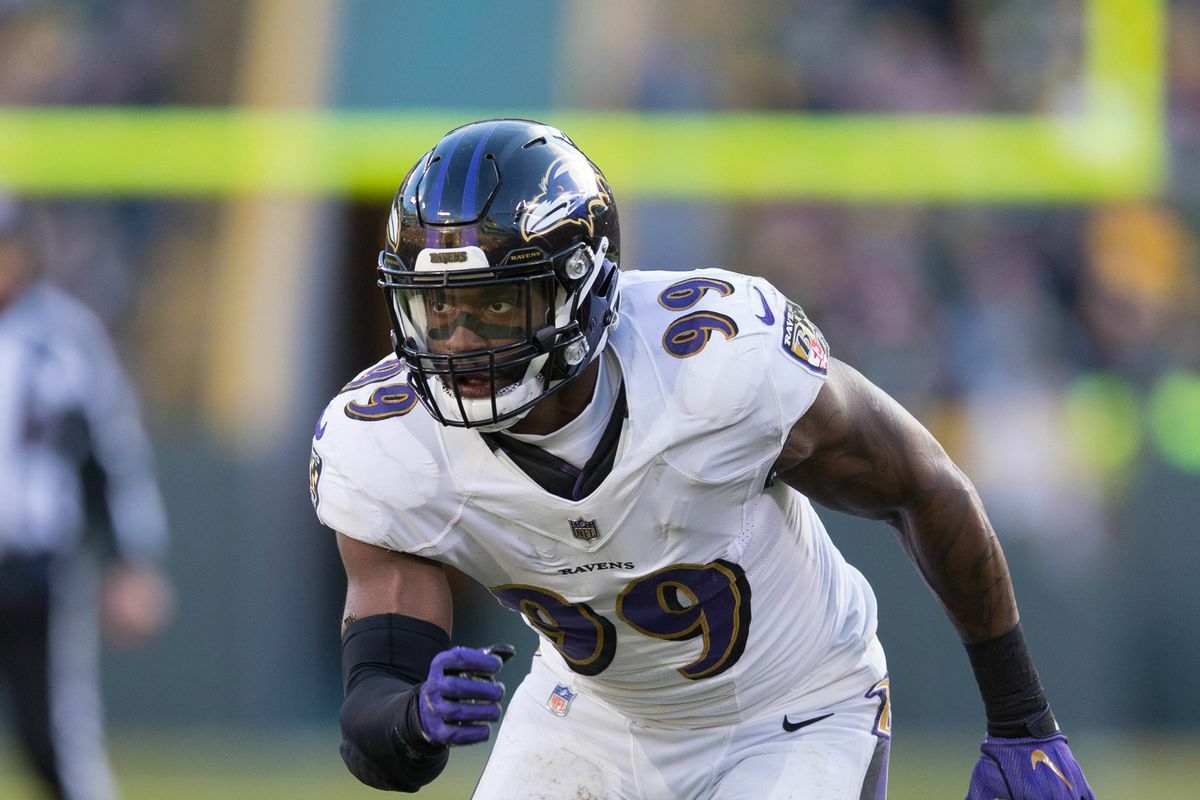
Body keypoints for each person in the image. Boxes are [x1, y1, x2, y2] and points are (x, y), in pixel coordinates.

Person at [310, 119, 1095, 799]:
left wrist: (1022, 719)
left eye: (492, 304)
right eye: (436, 305)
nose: (459, 340)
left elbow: (923, 487)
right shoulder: (387, 443)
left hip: (792, 708)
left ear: (578, 289)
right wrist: (414, 720)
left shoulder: (718, 365)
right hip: (591, 712)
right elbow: (374, 731)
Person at [0, 197, 172, 800]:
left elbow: (110, 454)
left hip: (35, 567)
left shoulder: (65, 335)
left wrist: (131, 560)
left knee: (54, 743)